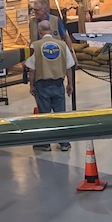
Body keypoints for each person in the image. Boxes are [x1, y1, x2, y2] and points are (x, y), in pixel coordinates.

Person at [27, 20, 76, 151]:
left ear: (39, 31)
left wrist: (31, 85)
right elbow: (69, 67)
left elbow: (31, 69)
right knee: (60, 115)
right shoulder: (62, 45)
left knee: (45, 115)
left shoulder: (35, 46)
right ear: (50, 29)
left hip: (42, 85)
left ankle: (46, 143)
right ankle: (64, 143)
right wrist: (70, 84)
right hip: (58, 84)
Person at [28, 0, 75, 82]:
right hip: (39, 59)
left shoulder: (56, 20)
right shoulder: (32, 22)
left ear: (44, 10)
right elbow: (32, 41)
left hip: (54, 57)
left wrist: (70, 51)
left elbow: (66, 37)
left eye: (37, 10)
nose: (35, 12)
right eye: (33, 10)